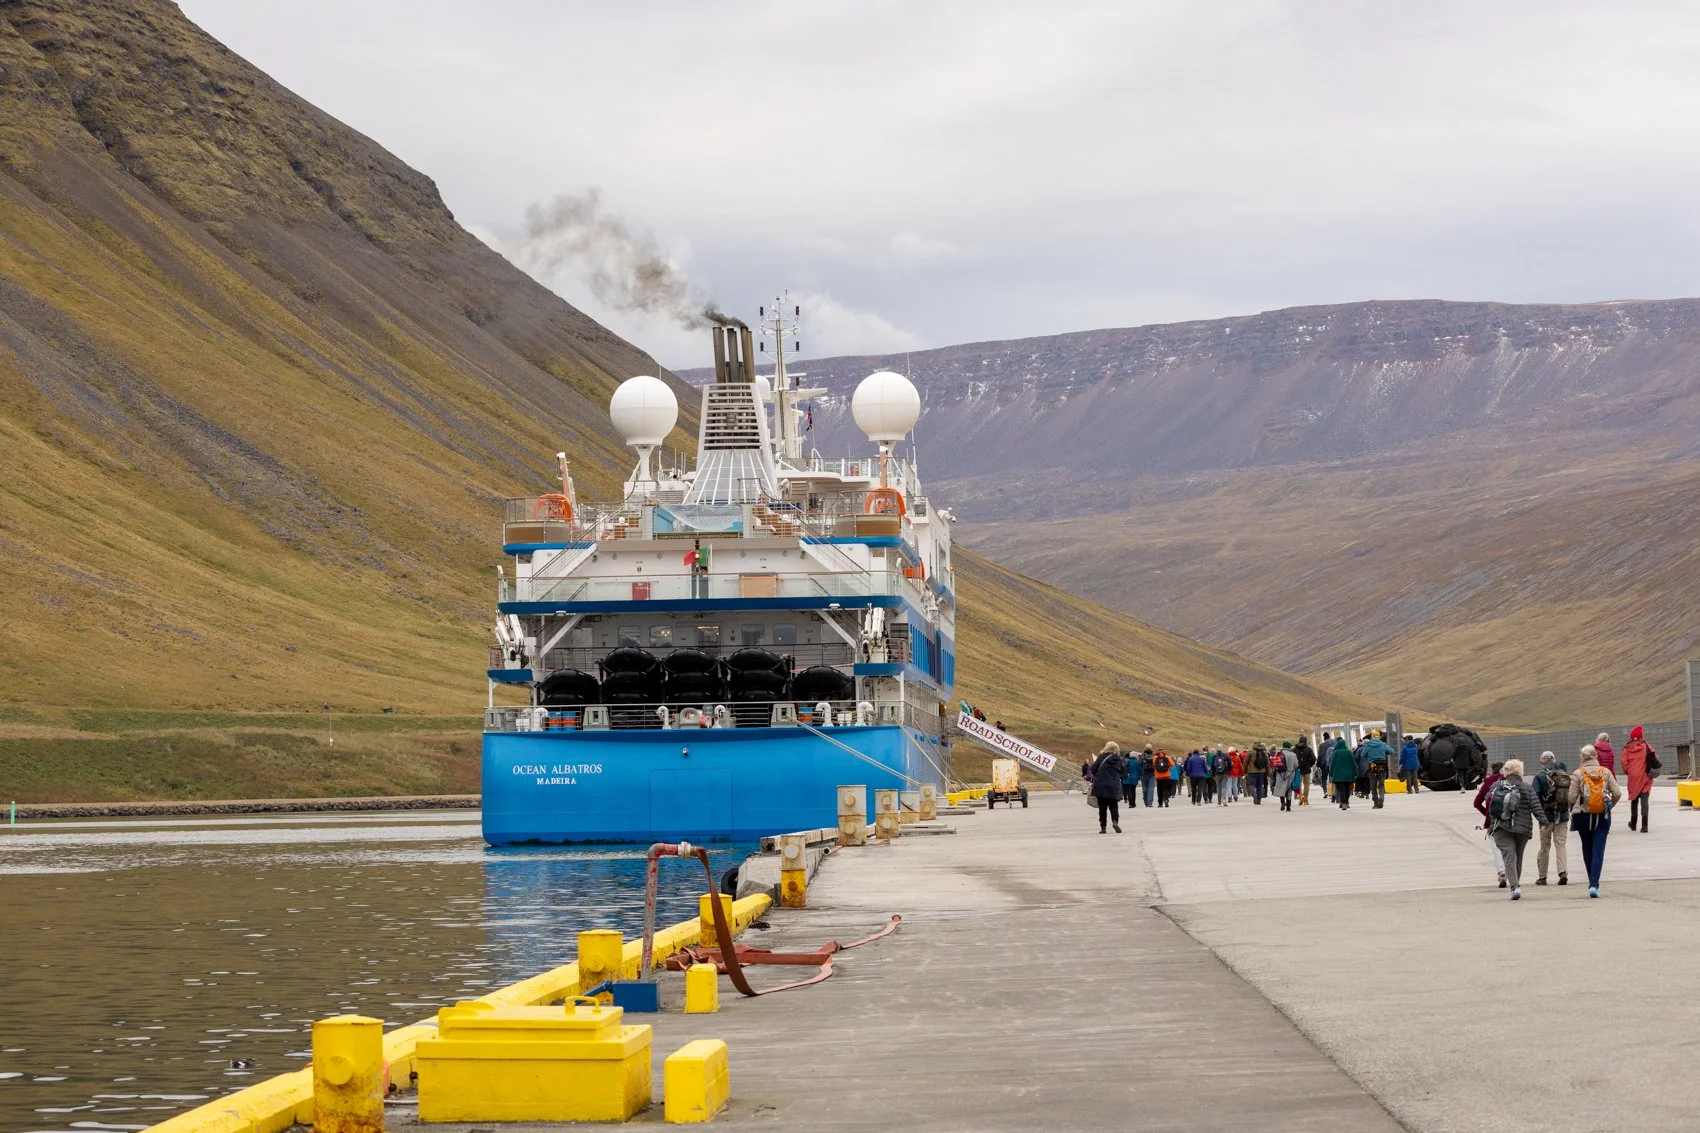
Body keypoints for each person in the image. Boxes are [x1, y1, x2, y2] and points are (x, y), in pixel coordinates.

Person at [1570, 743, 1623, 897]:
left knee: (1587, 847)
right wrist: (1609, 806)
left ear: (1582, 757)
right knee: (1598, 850)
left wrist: (1575, 805)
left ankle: (1591, 883)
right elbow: (1617, 793)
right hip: (1602, 816)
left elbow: (1571, 797)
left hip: (1582, 816)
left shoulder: (1578, 773)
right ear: (1595, 756)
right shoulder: (1605, 772)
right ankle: (1595, 884)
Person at [1486, 759, 1542, 899]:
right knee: (1518, 857)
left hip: (1501, 826)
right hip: (1522, 828)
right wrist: (1544, 822)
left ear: (1506, 771)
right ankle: (1516, 884)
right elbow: (1536, 806)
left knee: (1509, 856)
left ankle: (1515, 887)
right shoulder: (1527, 787)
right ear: (1520, 772)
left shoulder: (1497, 785)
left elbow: (1487, 799)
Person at [1531, 751, 1571, 886]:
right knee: (1560, 845)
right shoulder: (1564, 775)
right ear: (1554, 760)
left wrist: (1539, 817)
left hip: (1546, 817)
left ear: (1542, 761)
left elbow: (1534, 798)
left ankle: (1542, 877)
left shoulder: (1539, 776)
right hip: (1563, 815)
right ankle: (1563, 872)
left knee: (1545, 846)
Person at [1474, 761, 1507, 887]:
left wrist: (1488, 813)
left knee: (1496, 848)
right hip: (1510, 820)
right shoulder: (1508, 780)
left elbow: (1476, 803)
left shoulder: (1488, 782)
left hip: (1493, 821)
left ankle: (1502, 873)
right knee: (1510, 849)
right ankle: (1514, 874)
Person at [1621, 725, 1656, 833]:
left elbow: (1623, 762)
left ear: (1631, 736)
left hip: (1633, 778)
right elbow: (1655, 758)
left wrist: (1628, 771)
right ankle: (1644, 825)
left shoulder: (1627, 748)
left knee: (1634, 799)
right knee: (1644, 801)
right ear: (1641, 736)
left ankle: (1633, 823)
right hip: (1645, 777)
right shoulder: (1646, 746)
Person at [1089, 742, 1127, 833]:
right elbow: (1123, 772)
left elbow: (1093, 769)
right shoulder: (1118, 759)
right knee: (1113, 805)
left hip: (1101, 785)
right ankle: (1115, 822)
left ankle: (1103, 828)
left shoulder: (1101, 757)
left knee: (1102, 807)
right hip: (1113, 785)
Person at [1360, 731, 1394, 808]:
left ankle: (1375, 802)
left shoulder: (1368, 745)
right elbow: (1392, 751)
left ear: (1372, 737)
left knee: (1373, 785)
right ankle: (1381, 798)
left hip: (1372, 766)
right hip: (1382, 765)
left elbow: (1362, 755)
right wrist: (1384, 753)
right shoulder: (1383, 744)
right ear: (1379, 737)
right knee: (1381, 785)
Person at [1330, 736, 1357, 809]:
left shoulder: (1336, 753)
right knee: (1347, 789)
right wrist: (1355, 773)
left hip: (1338, 775)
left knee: (1341, 789)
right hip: (1348, 774)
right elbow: (1353, 764)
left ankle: (1343, 802)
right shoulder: (1349, 752)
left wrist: (1331, 773)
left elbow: (1332, 764)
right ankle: (1346, 802)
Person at [1272, 744, 1297, 811]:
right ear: (1289, 747)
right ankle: (1288, 807)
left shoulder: (1279, 754)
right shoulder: (1293, 755)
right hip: (1290, 774)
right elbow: (1296, 765)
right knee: (1289, 790)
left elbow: (1274, 765)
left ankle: (1282, 803)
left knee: (1281, 789)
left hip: (1280, 774)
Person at [1295, 737, 1316, 806]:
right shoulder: (1309, 749)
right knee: (1306, 785)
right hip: (1307, 770)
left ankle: (1301, 797)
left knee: (1298, 785)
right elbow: (1314, 758)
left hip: (1298, 770)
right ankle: (1305, 799)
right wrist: (1309, 765)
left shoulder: (1295, 749)